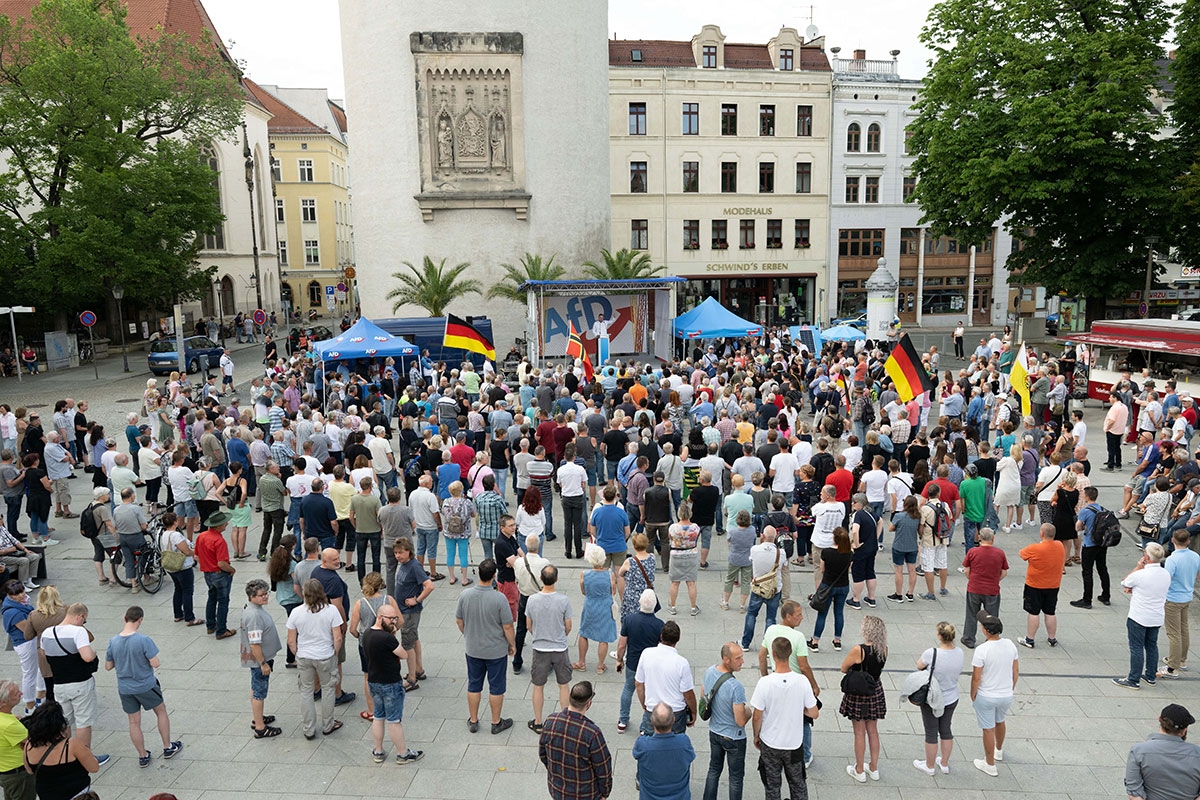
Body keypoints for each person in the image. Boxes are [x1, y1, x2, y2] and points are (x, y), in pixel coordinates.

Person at [103, 606, 183, 765]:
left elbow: (108, 666)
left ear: (124, 618)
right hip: (146, 685)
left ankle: (142, 755)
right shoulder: (143, 640)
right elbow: (156, 663)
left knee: (133, 722)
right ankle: (167, 747)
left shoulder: (113, 641)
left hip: (125, 688)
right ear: (140, 620)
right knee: (161, 712)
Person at [750, 637, 819, 800]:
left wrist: (756, 735)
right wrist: (799, 709)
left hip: (770, 743)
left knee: (772, 786)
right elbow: (814, 712)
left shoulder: (764, 683)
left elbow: (757, 716)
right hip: (794, 744)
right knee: (798, 784)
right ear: (790, 653)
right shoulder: (802, 681)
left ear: (772, 654)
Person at [455, 558, 516, 735]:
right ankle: (496, 722)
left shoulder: (465, 595)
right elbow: (507, 626)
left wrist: (468, 634)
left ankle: (473, 720)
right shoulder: (499, 598)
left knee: (474, 684)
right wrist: (511, 644)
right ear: (494, 576)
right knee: (496, 686)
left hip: (473, 649)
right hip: (495, 650)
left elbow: (459, 620)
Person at [39, 604, 107, 762]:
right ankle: (84, 758)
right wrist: (93, 652)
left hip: (59, 684)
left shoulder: (47, 632)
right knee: (83, 721)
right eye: (84, 620)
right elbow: (87, 657)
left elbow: (43, 653)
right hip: (80, 683)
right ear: (80, 616)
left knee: (65, 721)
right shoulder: (78, 631)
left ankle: (66, 755)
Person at [362, 598, 424, 764]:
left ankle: (378, 751)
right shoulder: (387, 639)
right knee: (394, 721)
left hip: (374, 682)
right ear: (379, 617)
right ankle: (402, 754)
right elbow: (403, 654)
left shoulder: (367, 634)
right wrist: (393, 636)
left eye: (395, 618)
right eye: (390, 619)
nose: (394, 622)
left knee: (378, 717)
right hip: (390, 684)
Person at [288, 579, 345, 739]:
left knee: (306, 691)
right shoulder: (331, 610)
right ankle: (328, 725)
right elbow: (338, 637)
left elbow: (291, 640)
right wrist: (334, 653)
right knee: (328, 689)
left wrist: (298, 653)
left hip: (305, 656)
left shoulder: (296, 612)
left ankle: (309, 729)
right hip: (325, 655)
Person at [539, 680, 613, 800]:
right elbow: (603, 768)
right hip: (585, 794)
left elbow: (543, 755)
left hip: (557, 790)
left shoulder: (551, 721)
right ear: (588, 704)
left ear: (569, 697)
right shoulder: (592, 733)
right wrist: (605, 793)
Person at [1114, 543, 1172, 689]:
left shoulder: (1141, 574)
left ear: (1146, 557)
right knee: (1152, 645)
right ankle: (1151, 675)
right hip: (1156, 616)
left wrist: (1139, 566)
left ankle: (1133, 679)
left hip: (1139, 616)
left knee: (1136, 647)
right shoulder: (1166, 574)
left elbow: (1125, 581)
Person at [911, 622, 965, 776]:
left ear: (940, 636)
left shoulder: (932, 653)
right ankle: (944, 763)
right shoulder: (960, 652)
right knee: (946, 730)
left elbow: (919, 665)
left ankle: (929, 766)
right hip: (952, 696)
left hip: (933, 698)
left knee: (931, 732)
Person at [970, 611, 1019, 776]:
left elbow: (976, 677)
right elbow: (1015, 671)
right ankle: (998, 750)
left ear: (985, 630)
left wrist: (973, 694)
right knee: (1000, 721)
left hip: (986, 695)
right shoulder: (1010, 645)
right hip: (1005, 694)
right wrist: (1010, 689)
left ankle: (989, 764)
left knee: (988, 729)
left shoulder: (982, 650)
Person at [840, 615, 888, 782]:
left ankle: (859, 770)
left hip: (858, 693)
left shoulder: (858, 650)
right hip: (875, 691)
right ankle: (873, 768)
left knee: (859, 733)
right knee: (873, 731)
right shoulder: (884, 649)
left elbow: (843, 668)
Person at [20, 701, 101, 799]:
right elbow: (94, 768)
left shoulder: (29, 745)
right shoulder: (71, 745)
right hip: (77, 795)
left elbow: (29, 770)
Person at [701, 643, 750, 800]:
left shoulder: (710, 671)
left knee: (713, 769)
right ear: (726, 659)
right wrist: (748, 712)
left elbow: (703, 693)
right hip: (734, 738)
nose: (742, 661)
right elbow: (740, 720)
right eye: (738, 658)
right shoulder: (735, 687)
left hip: (714, 732)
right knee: (735, 778)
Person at [1124, 704, 1200, 800]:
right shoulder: (1197, 754)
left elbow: (1134, 794)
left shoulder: (1138, 751)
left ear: (1159, 718)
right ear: (1184, 730)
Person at [635, 620, 697, 735]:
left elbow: (639, 683)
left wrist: (644, 704)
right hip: (676, 712)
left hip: (653, 709)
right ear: (677, 639)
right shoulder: (681, 663)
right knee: (676, 745)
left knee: (652, 743)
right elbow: (688, 693)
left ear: (661, 636)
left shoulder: (646, 654)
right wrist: (693, 711)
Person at [616, 589, 664, 734]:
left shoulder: (629, 620)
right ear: (655, 605)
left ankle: (623, 721)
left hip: (633, 661)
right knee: (649, 693)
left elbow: (622, 644)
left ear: (639, 603)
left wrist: (619, 659)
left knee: (628, 689)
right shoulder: (659, 624)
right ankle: (645, 726)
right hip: (651, 664)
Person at [239, 578, 283, 738]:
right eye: (261, 595)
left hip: (260, 658)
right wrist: (263, 663)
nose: (265, 597)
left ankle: (257, 718)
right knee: (259, 692)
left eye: (266, 593)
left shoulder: (253, 608)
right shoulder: (254, 615)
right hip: (260, 660)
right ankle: (260, 728)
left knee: (255, 688)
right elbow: (255, 643)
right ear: (252, 596)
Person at [392, 537, 433, 691]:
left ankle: (411, 678)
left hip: (409, 612)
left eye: (401, 553)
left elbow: (429, 586)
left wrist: (417, 599)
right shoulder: (404, 564)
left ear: (409, 551)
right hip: (404, 610)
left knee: (407, 643)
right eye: (396, 553)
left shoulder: (414, 566)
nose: (398, 556)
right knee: (414, 639)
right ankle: (418, 669)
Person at [632, 701, 696, 799]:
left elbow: (636, 754)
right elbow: (690, 757)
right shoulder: (683, 742)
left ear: (652, 721)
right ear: (673, 720)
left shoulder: (643, 745)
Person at [1017, 524, 1065, 648]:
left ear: (1041, 533)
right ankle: (1052, 638)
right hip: (1053, 585)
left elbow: (1022, 554)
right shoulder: (1059, 546)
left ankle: (1030, 639)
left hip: (1034, 585)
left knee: (1033, 612)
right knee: (1050, 612)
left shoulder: (1035, 548)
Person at [1160, 529, 1199, 679]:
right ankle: (1182, 660)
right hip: (1187, 596)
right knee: (1184, 629)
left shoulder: (1172, 559)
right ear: (1188, 541)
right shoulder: (1195, 556)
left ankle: (1172, 667)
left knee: (1173, 633)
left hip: (1173, 598)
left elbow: (1166, 579)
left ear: (1173, 541)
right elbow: (1198, 575)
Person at [960, 528, 1008, 649]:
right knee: (992, 616)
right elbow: (1004, 572)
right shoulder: (1000, 553)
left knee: (971, 614)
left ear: (980, 537)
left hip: (974, 588)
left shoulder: (972, 552)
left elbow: (966, 570)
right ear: (993, 539)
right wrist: (996, 580)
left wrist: (972, 579)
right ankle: (991, 639)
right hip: (992, 589)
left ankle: (968, 639)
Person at [808, 527, 853, 653]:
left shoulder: (827, 552)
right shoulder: (850, 554)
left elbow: (822, 569)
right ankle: (837, 640)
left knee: (822, 613)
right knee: (839, 613)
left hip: (828, 585)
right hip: (843, 586)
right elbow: (849, 568)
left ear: (834, 538)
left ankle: (815, 641)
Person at [2, 582, 42, 715]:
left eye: (22, 591)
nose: (22, 595)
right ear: (10, 596)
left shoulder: (21, 603)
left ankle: (40, 697)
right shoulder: (13, 613)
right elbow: (27, 631)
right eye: (18, 593)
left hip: (31, 642)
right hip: (26, 643)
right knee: (30, 673)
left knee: (39, 668)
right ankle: (30, 705)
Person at [195, 510, 237, 639]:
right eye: (224, 523)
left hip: (207, 573)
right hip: (219, 574)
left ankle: (211, 625)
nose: (226, 524)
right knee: (223, 602)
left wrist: (206, 563)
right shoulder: (219, 541)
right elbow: (221, 563)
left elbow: (196, 556)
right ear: (218, 526)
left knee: (212, 598)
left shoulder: (201, 536)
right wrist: (232, 570)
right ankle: (221, 630)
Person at [741, 527, 784, 649]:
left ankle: (745, 643)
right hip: (774, 589)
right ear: (775, 538)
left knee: (751, 615)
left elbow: (751, 560)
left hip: (758, 588)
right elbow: (784, 567)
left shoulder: (754, 549)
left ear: (763, 536)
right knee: (771, 618)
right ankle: (768, 646)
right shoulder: (781, 553)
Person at [575, 546, 617, 672]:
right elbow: (613, 592)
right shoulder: (610, 574)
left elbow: (583, 591)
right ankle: (600, 665)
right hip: (605, 606)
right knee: (603, 637)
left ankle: (581, 662)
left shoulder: (584, 574)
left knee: (583, 633)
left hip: (590, 605)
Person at [1071, 486, 1111, 608]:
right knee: (1102, 568)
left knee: (1087, 572)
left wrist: (1082, 525)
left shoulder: (1085, 511)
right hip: (1102, 544)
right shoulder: (1102, 509)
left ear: (1086, 497)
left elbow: (1077, 527)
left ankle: (1087, 600)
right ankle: (1106, 596)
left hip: (1089, 544)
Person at [158, 512, 200, 626]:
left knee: (178, 589)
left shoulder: (164, 534)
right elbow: (186, 551)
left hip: (171, 567)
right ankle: (189, 617)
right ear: (175, 522)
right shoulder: (176, 535)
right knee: (187, 591)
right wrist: (195, 554)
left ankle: (178, 614)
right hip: (182, 567)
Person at [0, 679, 35, 800]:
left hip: (5, 771)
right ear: (3, 703)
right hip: (18, 774)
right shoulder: (9, 725)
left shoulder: (5, 718)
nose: (21, 693)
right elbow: (33, 743)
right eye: (16, 693)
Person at [888, 495, 922, 602]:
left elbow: (890, 528)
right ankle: (910, 593)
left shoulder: (899, 516)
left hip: (899, 546)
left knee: (898, 570)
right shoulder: (917, 517)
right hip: (912, 546)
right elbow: (920, 532)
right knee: (912, 570)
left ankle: (898, 594)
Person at [722, 510, 755, 612]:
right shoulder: (752, 530)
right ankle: (742, 605)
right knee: (745, 582)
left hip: (734, 558)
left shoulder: (732, 531)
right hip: (747, 559)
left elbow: (729, 542)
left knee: (729, 580)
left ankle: (726, 602)